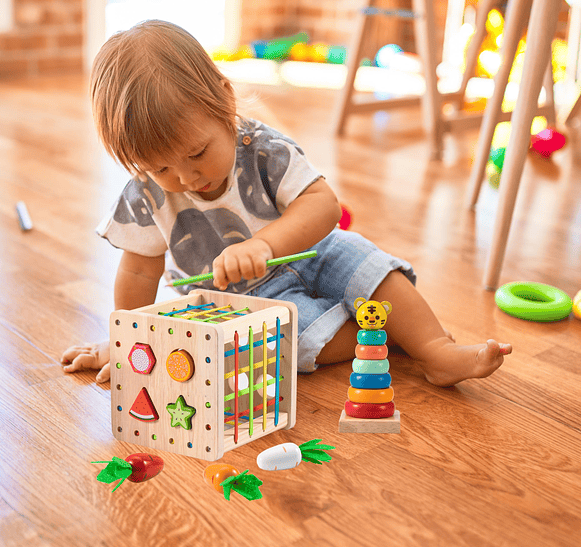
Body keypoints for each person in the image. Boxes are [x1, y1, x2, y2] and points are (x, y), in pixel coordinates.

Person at [61, 20, 511, 387]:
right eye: (160, 169)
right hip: (239, 303)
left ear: (223, 98)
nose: (185, 178)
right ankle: (386, 337)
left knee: (372, 268)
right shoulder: (145, 192)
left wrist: (264, 246)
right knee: (286, 345)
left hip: (315, 250)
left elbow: (323, 205)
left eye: (197, 153)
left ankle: (435, 350)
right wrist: (127, 342)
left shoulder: (262, 147)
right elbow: (139, 271)